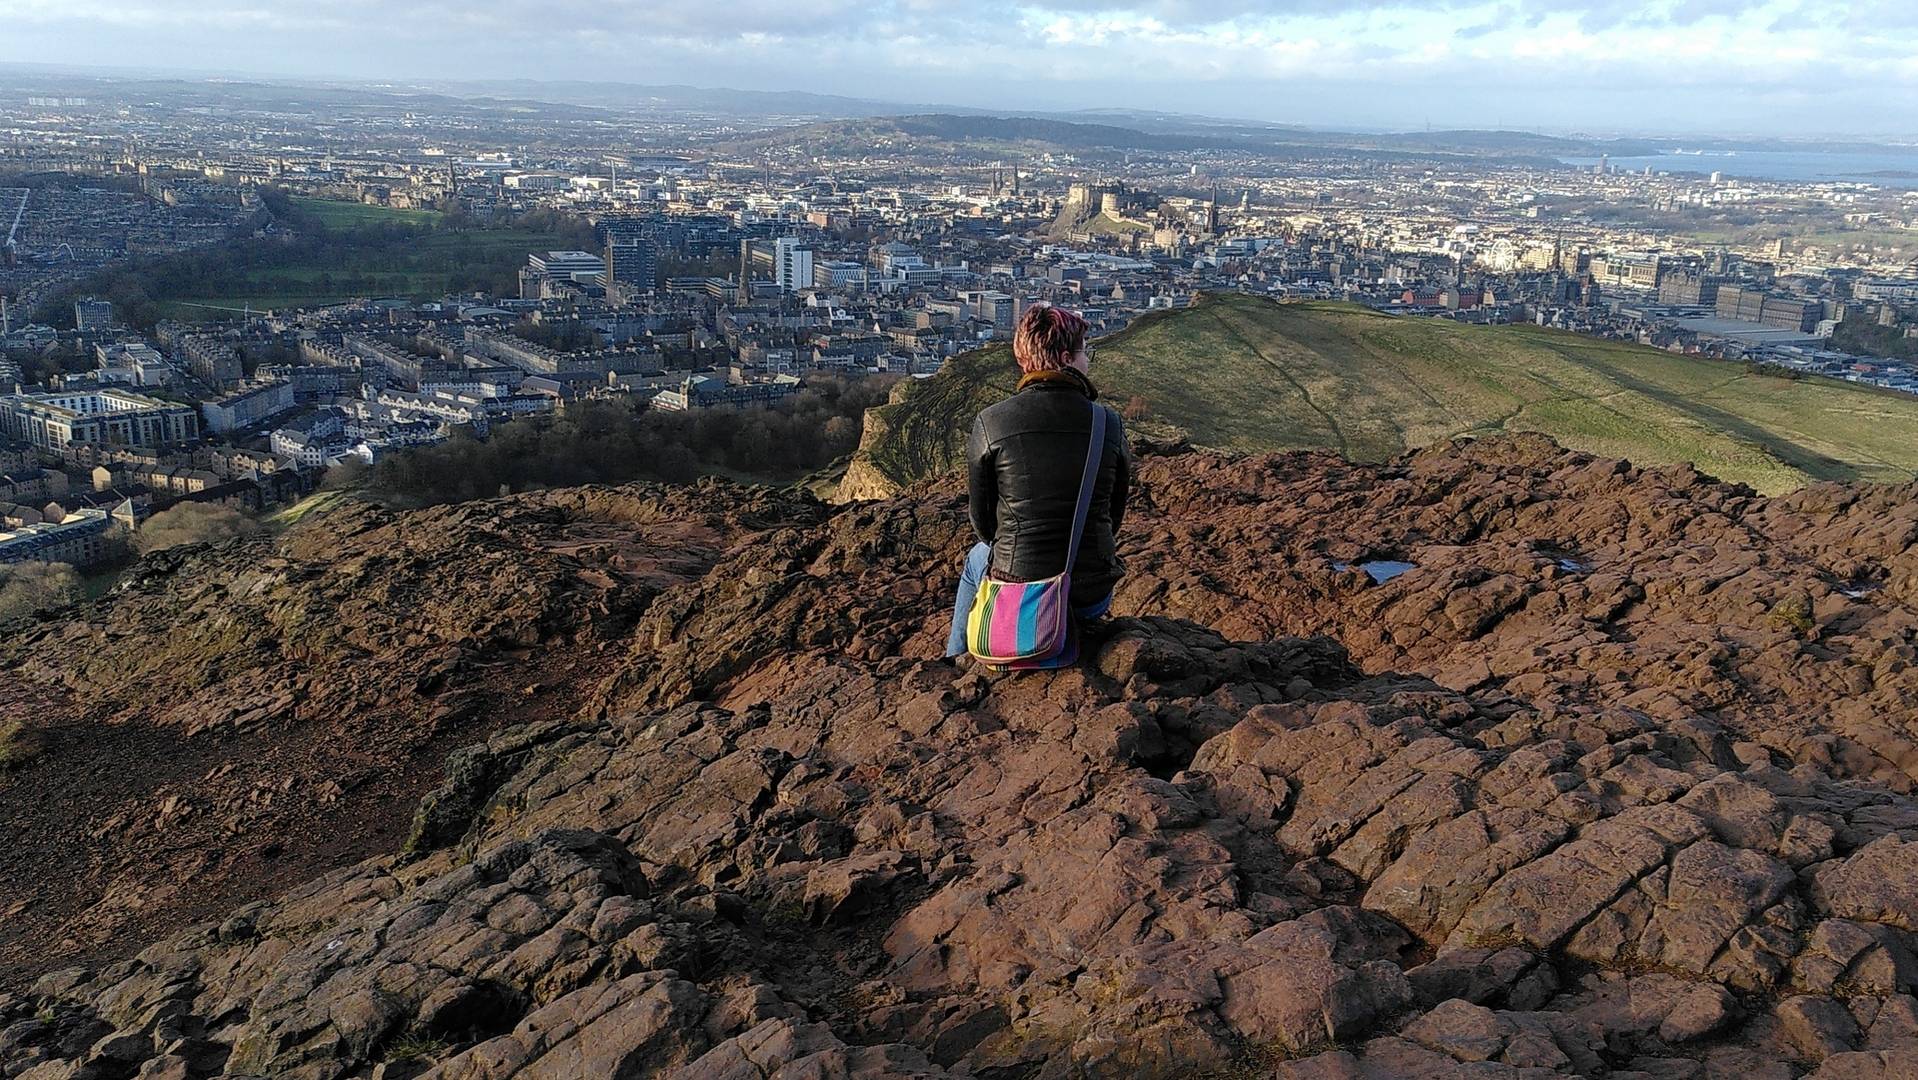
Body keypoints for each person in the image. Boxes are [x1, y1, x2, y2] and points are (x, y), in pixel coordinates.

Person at [945, 303, 1130, 658]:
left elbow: (983, 524)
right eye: (1083, 353)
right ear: (1066, 358)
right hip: (1089, 592)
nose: (1087, 361)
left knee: (976, 559)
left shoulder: (991, 422)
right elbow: (1114, 515)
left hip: (1018, 591)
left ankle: (957, 660)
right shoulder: (1108, 424)